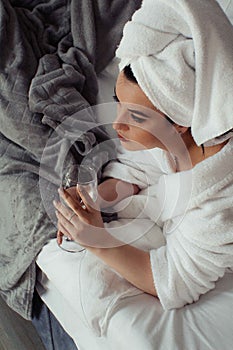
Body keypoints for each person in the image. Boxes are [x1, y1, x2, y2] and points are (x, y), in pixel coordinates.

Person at [52, 0, 233, 333]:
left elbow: (174, 281)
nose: (116, 125)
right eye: (119, 103)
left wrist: (95, 238)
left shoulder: (219, 202)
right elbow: (139, 171)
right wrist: (96, 196)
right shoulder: (171, 136)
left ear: (179, 123)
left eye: (134, 117)